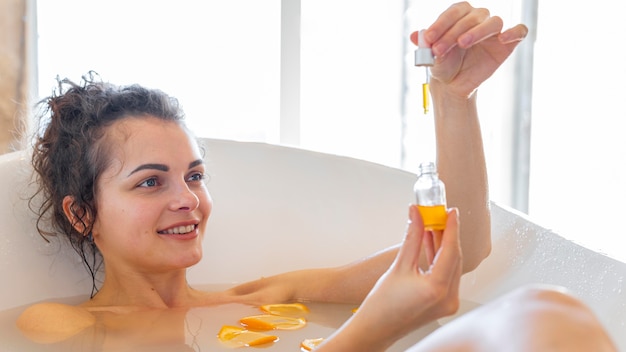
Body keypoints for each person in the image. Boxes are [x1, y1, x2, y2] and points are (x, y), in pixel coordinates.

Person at [15, 2, 617, 351]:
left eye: (194, 176)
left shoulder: (270, 296)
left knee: (549, 309)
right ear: (82, 214)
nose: (188, 201)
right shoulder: (63, 325)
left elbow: (458, 252)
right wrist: (372, 330)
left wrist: (454, 99)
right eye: (151, 182)